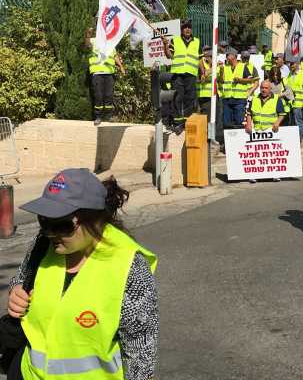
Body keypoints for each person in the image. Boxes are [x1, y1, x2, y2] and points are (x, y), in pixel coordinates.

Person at [6, 168, 158, 379]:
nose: (50, 233)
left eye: (61, 225)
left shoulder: (130, 268)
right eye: (44, 221)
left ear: (94, 219)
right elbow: (22, 279)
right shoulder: (43, 244)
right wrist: (15, 293)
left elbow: (140, 353)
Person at [245, 80, 287, 183]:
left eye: (266, 88)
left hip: (271, 131)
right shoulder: (254, 99)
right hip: (257, 131)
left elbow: (282, 114)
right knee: (256, 155)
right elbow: (249, 113)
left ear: (270, 89)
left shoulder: (276, 99)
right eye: (262, 88)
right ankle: (254, 175)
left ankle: (275, 174)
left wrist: (277, 123)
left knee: (272, 155)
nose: (263, 90)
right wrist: (249, 124)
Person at [162, 20, 200, 134]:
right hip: (178, 74)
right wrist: (165, 45)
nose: (187, 29)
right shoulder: (176, 40)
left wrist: (202, 72)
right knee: (177, 98)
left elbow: (200, 59)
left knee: (189, 99)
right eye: (185, 28)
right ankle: (178, 124)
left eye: (189, 27)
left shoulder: (197, 41)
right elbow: (169, 56)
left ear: (191, 29)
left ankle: (186, 124)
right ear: (182, 30)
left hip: (191, 74)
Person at [85, 29, 125, 126]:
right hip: (97, 72)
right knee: (98, 95)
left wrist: (121, 66)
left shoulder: (110, 43)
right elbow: (87, 45)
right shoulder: (94, 41)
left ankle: (109, 116)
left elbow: (115, 56)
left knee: (109, 95)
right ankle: (98, 117)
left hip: (109, 73)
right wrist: (87, 35)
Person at [284, 59, 303, 141]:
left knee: (298, 121)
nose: (291, 65)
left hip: (299, 103)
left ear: (297, 64)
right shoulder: (290, 74)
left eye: (293, 63)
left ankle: (299, 138)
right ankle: (294, 138)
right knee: (292, 122)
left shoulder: (302, 74)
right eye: (290, 64)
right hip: (291, 102)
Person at [197, 45, 214, 115]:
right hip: (200, 93)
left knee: (209, 115)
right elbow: (204, 74)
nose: (208, 51)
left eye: (209, 49)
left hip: (211, 94)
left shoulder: (214, 63)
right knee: (201, 115)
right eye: (206, 50)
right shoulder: (200, 61)